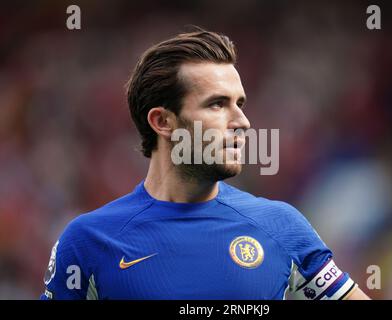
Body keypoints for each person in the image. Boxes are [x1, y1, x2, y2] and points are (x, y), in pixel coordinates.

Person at [41, 28, 370, 300]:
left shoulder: (282, 227)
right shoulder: (88, 241)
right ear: (163, 121)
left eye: (239, 104)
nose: (242, 121)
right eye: (217, 105)